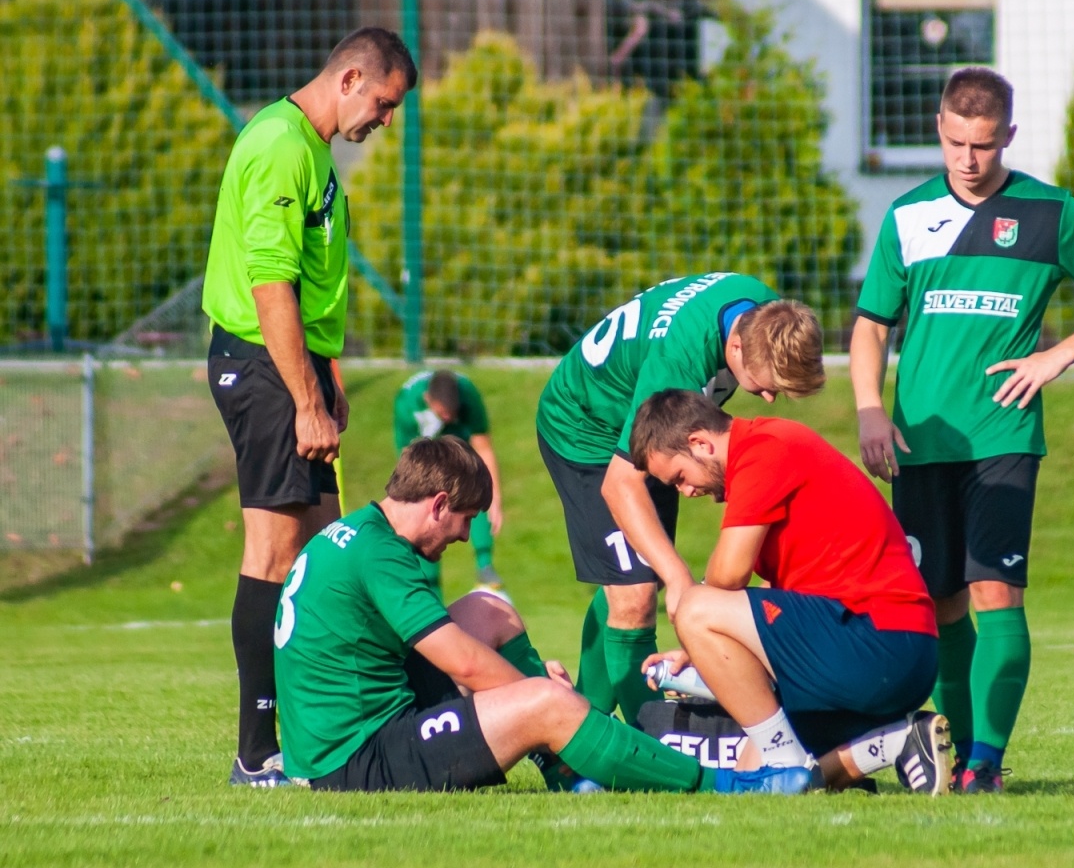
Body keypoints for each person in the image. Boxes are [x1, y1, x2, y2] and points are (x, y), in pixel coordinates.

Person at [850, 67, 1074, 792]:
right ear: (938, 129)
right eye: (955, 142)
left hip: (1003, 439)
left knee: (995, 594)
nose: (967, 159)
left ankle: (986, 761)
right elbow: (870, 326)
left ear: (1008, 137)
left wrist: (1059, 355)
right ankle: (953, 754)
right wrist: (868, 406)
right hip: (921, 442)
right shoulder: (906, 216)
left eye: (983, 145)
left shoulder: (1049, 214)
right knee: (939, 603)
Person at [274, 435, 795, 794]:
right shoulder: (381, 555)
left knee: (490, 608)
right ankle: (725, 783)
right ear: (436, 503)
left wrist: (525, 685)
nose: (462, 535)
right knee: (548, 702)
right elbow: (467, 667)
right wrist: (541, 693)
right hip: (355, 762)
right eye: (464, 520)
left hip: (339, 739)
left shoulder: (360, 532)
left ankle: (562, 763)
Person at [203, 26, 417, 787]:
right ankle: (256, 752)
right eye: (385, 105)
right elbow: (270, 287)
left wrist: (326, 379)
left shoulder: (315, 150)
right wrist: (303, 400)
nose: (385, 122)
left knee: (326, 554)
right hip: (260, 370)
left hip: (289, 373)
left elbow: (312, 282)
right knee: (274, 555)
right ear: (351, 77)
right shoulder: (281, 146)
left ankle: (336, 732)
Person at [629, 389, 952, 796]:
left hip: (880, 642)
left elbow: (728, 575)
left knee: (694, 607)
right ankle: (896, 743)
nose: (686, 492)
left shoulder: (765, 449)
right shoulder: (769, 449)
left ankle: (786, 762)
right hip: (878, 649)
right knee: (752, 773)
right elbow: (773, 600)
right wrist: (701, 654)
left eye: (679, 478)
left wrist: (696, 622)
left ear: (699, 443)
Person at [535, 275, 825, 726]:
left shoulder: (769, 317)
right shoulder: (677, 366)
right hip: (587, 428)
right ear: (735, 349)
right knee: (637, 595)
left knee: (634, 578)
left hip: (640, 421)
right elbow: (619, 484)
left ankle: (579, 723)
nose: (768, 398)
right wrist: (679, 580)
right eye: (764, 385)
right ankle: (651, 750)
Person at [393, 369, 505, 591]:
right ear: (428, 401)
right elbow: (408, 458)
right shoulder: (406, 403)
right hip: (422, 454)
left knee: (478, 488)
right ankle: (429, 583)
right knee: (425, 507)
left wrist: (495, 496)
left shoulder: (468, 395)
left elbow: (483, 447)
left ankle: (485, 565)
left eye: (452, 413)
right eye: (444, 414)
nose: (449, 418)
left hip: (460, 445)